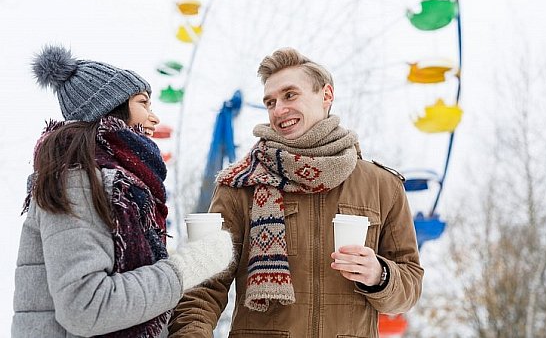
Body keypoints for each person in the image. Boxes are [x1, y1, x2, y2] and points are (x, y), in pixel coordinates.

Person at [168, 47, 423, 337]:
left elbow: (410, 285)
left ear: (326, 95)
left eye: (290, 95)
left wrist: (379, 274)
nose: (278, 110)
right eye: (270, 102)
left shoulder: (382, 185)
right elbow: (204, 285)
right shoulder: (240, 185)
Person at [12, 45, 234, 338]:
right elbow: (86, 307)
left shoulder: (119, 187)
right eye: (143, 103)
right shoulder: (77, 182)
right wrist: (189, 266)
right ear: (109, 108)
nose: (154, 118)